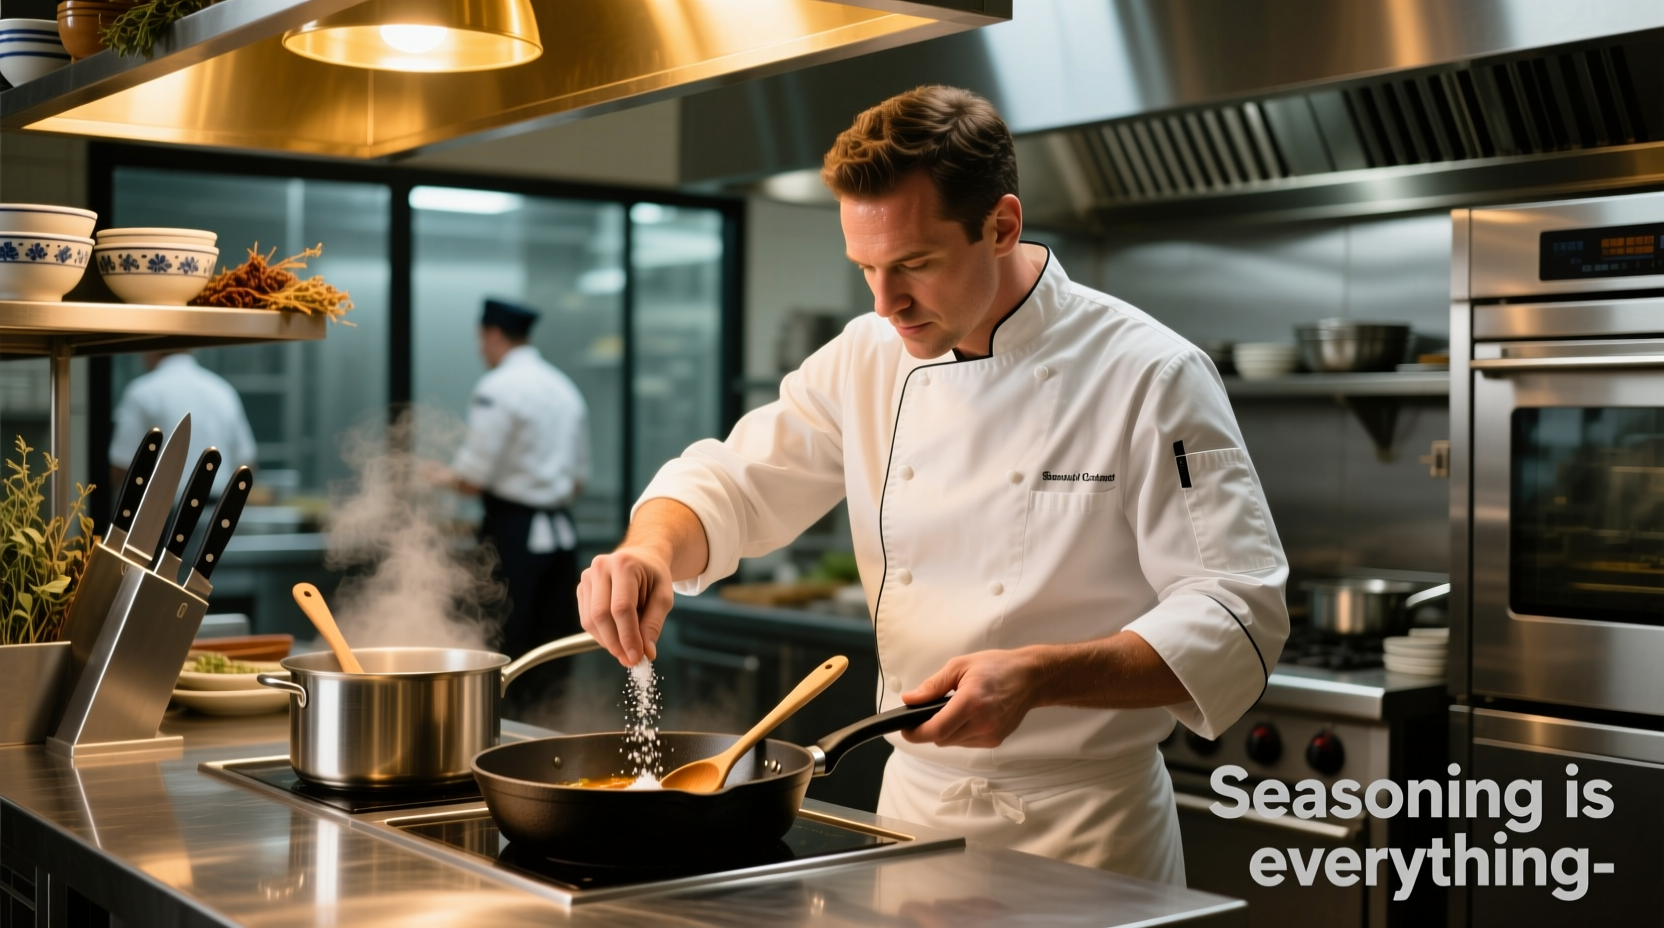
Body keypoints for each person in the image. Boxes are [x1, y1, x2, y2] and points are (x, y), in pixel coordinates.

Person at [577, 86, 1289, 884]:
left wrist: (1041, 677)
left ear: (1002, 226)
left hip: (1087, 833)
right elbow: (734, 482)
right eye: (866, 269)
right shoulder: (866, 356)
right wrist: (650, 551)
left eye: (915, 264)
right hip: (915, 818)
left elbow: (1238, 612)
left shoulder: (1150, 373)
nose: (887, 304)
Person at [428, 298, 591, 683]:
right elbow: (578, 480)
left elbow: (472, 480)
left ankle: (506, 720)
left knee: (503, 646)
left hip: (514, 535)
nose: (479, 349)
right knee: (552, 647)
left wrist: (436, 476)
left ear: (494, 334)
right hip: (563, 540)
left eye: (480, 339)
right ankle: (547, 718)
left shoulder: (497, 388)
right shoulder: (564, 388)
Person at [109, 350, 257, 496]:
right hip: (219, 507)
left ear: (150, 350)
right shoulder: (223, 391)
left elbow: (121, 466)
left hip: (163, 509)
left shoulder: (141, 393)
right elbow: (246, 463)